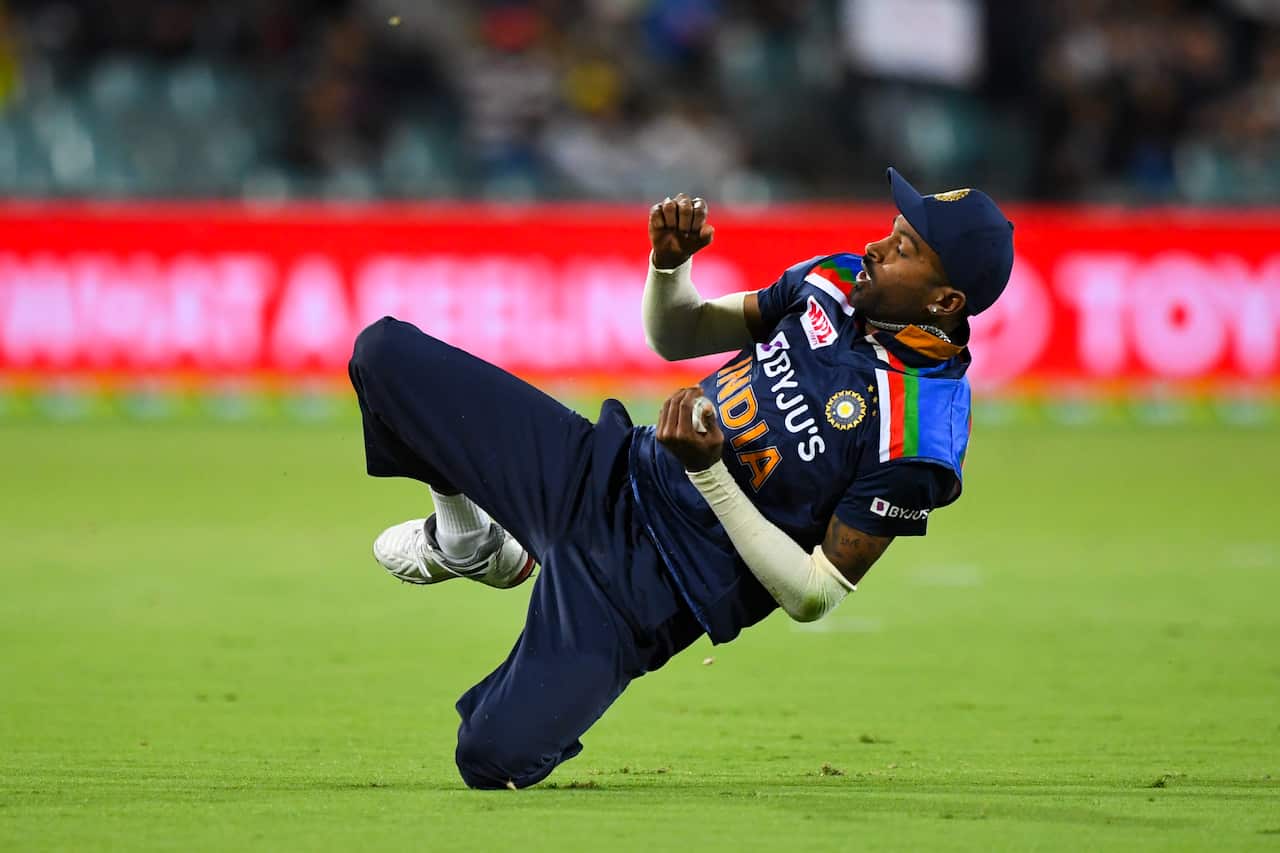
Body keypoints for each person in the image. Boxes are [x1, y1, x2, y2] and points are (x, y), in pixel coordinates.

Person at [347, 168, 1015, 790]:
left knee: (490, 756)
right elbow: (681, 333)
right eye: (890, 231)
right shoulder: (835, 280)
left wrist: (710, 472)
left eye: (902, 247)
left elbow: (814, 593)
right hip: (602, 468)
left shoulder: (923, 435)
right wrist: (669, 268)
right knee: (383, 355)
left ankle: (516, 556)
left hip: (646, 589)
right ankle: (470, 539)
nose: (874, 246)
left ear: (946, 298)